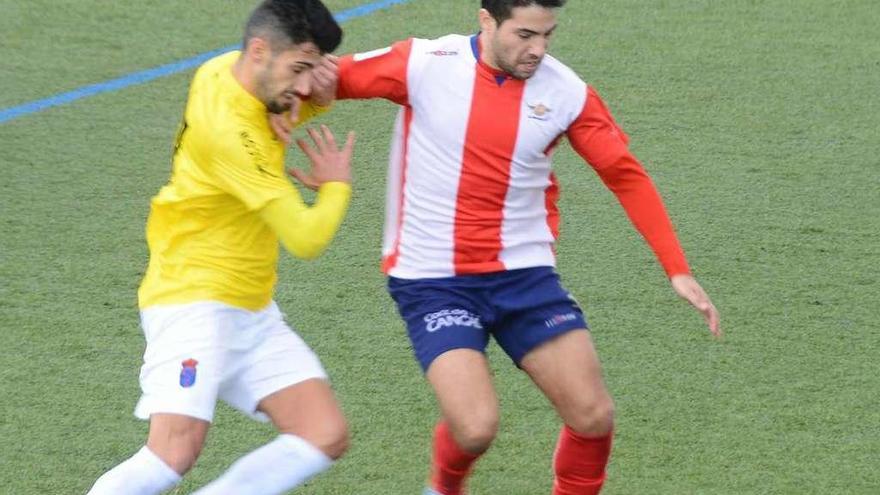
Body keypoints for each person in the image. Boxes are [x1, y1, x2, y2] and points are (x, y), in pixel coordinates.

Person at [273, 0, 722, 493]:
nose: (538, 49)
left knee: (593, 416)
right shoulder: (425, 63)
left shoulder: (568, 93)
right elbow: (324, 82)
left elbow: (624, 175)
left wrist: (676, 269)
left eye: (548, 35)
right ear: (487, 20)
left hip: (524, 276)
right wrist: (285, 99)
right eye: (525, 35)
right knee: (475, 427)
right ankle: (442, 489)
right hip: (433, 280)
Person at [86, 1, 356, 494]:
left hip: (249, 306)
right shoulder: (232, 135)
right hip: (192, 299)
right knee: (173, 451)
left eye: (308, 71)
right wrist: (335, 184)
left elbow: (279, 101)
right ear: (259, 51)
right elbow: (306, 237)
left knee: (324, 433)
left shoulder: (219, 72)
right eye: (298, 70)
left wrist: (308, 98)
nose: (302, 85)